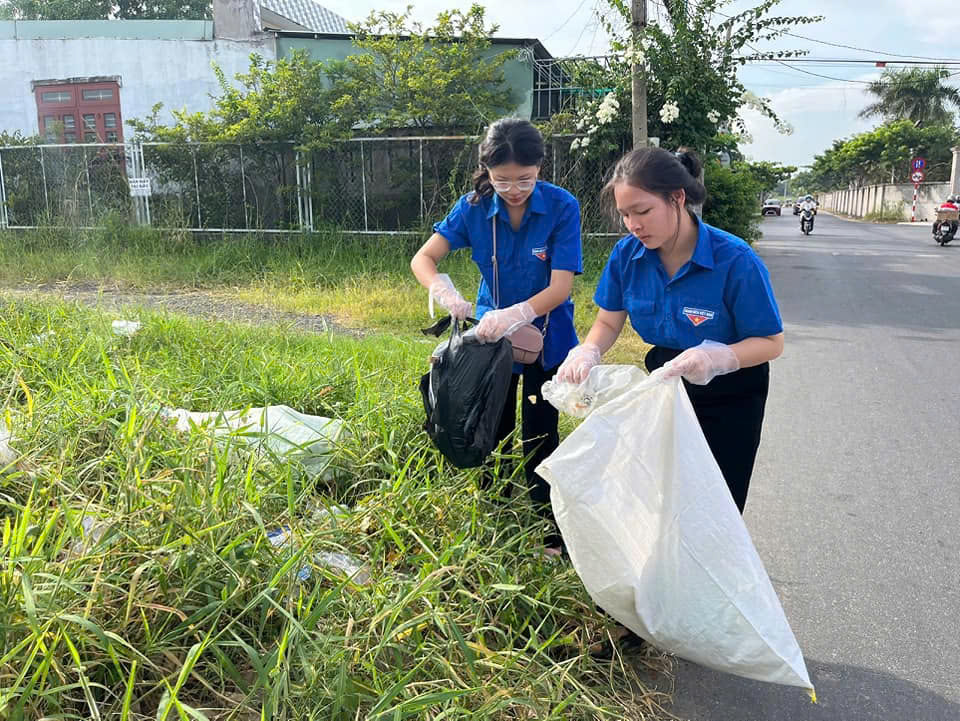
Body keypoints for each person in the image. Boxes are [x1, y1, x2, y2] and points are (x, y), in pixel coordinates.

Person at [556, 147, 784, 514]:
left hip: (731, 390)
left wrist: (717, 356)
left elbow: (771, 342)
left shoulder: (735, 260)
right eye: (625, 214)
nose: (633, 225)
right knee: (659, 497)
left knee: (716, 505)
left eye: (642, 211)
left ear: (677, 198)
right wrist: (589, 351)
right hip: (665, 382)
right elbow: (608, 320)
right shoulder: (627, 256)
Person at [410, 118, 583, 554]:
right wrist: (441, 289)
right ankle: (494, 519)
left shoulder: (562, 207)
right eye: (501, 180)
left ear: (541, 167)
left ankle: (549, 529)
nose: (514, 189)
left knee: (541, 432)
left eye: (524, 179)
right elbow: (425, 258)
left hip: (548, 336)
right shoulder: (472, 207)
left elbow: (560, 286)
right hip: (491, 338)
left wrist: (520, 313)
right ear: (486, 171)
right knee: (491, 423)